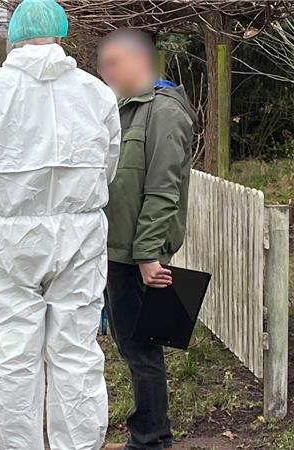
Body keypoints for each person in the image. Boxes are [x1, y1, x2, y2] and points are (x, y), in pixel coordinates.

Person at [0, 0, 121, 448]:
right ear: (61, 33)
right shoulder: (96, 93)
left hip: (7, 239)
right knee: (76, 354)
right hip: (80, 235)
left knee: (12, 358)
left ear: (14, 35)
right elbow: (108, 167)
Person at [97, 29, 197, 450]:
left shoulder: (165, 111)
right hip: (118, 250)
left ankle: (151, 439)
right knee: (131, 348)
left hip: (138, 256)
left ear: (140, 61)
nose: (105, 72)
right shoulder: (127, 107)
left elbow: (162, 189)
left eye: (113, 63)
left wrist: (148, 255)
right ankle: (149, 432)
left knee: (143, 352)